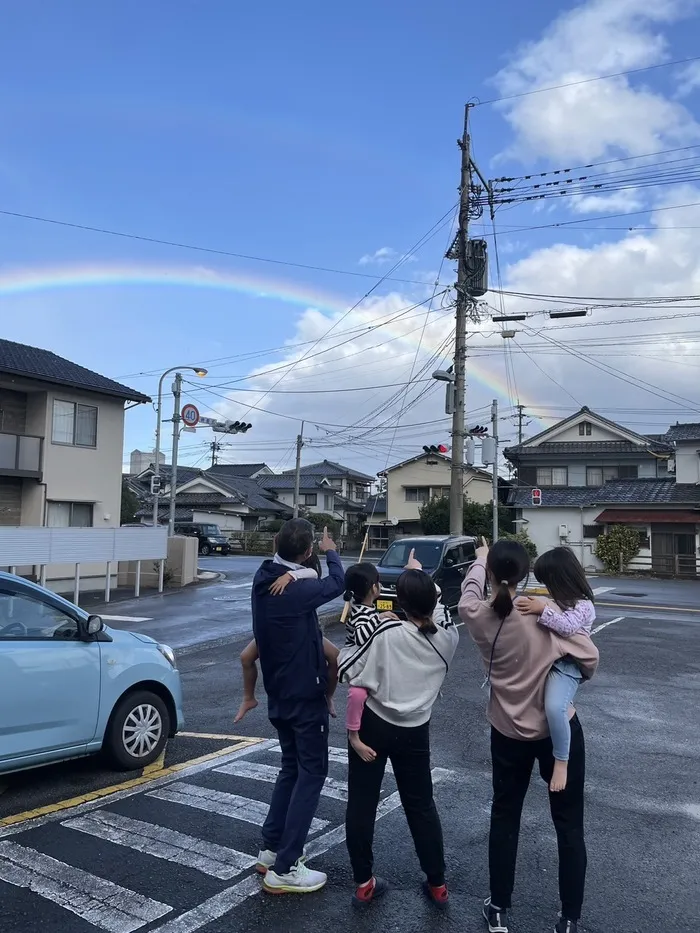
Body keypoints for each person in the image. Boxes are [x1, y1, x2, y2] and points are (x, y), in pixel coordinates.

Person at [458, 538, 599, 933]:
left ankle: (499, 907)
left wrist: (480, 561)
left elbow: (470, 592)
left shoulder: (477, 615)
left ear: (492, 575)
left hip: (507, 731)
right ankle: (569, 917)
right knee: (569, 825)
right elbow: (589, 655)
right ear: (525, 577)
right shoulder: (545, 615)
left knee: (505, 816)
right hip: (558, 735)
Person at [338, 553, 458, 909]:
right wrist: (421, 576)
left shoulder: (385, 632)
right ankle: (437, 883)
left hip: (374, 724)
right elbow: (440, 610)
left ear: (399, 603)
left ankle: (364, 882)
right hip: (416, 728)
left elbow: (349, 670)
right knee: (421, 805)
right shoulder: (448, 639)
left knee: (362, 802)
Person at [252, 519, 345, 894]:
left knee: (290, 768)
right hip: (306, 697)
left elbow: (298, 569)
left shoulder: (264, 578)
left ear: (275, 543)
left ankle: (272, 849)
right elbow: (338, 584)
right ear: (307, 551)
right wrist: (332, 552)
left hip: (278, 694)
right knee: (311, 773)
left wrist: (300, 569)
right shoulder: (298, 592)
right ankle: (287, 866)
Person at [515, 547, 596, 792]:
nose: (547, 589)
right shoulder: (557, 601)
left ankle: (561, 760)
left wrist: (543, 610)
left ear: (560, 578)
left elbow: (568, 627)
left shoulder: (584, 605)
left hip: (567, 665)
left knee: (554, 707)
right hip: (548, 659)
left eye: (548, 582)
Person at [234, 553, 339, 724]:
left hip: (302, 629)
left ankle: (328, 696)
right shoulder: (278, 572)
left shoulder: (302, 576)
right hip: (279, 629)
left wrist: (292, 575)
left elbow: (311, 572)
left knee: (335, 656)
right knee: (245, 657)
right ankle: (248, 698)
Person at [341, 562, 400, 763]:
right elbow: (361, 636)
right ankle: (354, 736)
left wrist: (378, 616)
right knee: (357, 694)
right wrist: (380, 619)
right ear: (374, 588)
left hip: (369, 662)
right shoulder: (359, 612)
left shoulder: (366, 608)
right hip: (358, 666)